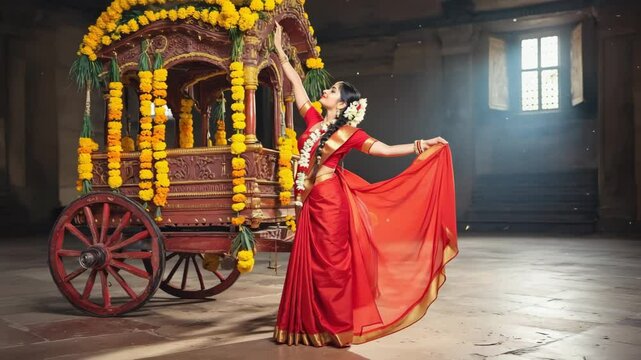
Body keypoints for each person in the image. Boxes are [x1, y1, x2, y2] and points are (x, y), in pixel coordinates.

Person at [272, 22, 459, 348]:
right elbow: (297, 86)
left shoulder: (351, 134)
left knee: (331, 267)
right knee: (311, 266)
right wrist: (279, 51)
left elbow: (384, 150)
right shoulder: (314, 122)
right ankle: (307, 324)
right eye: (328, 90)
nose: (326, 92)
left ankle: (335, 326)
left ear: (343, 104)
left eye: (333, 91)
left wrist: (422, 144)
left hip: (331, 202)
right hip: (310, 202)